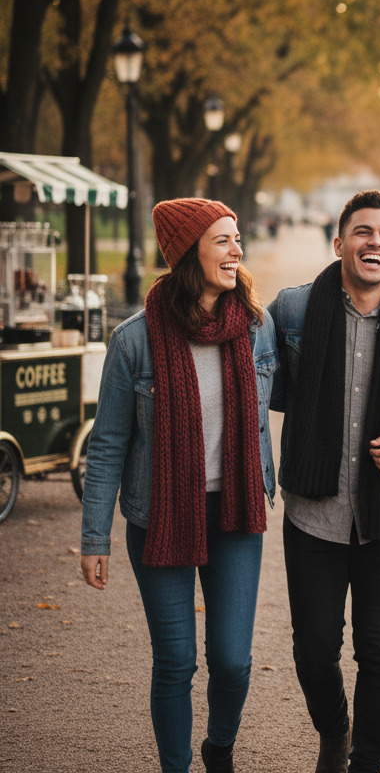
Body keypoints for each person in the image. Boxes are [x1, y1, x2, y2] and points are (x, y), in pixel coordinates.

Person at [81, 198, 277, 773]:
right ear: (188, 252)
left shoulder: (257, 330)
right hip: (160, 513)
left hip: (235, 515)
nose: (237, 251)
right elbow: (108, 444)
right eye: (223, 240)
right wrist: (95, 538)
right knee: (174, 661)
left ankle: (219, 748)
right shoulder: (134, 340)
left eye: (237, 239)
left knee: (233, 661)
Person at [269, 190, 380, 773]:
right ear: (339, 240)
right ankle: (334, 729)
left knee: (379, 652)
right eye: (363, 232)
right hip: (312, 512)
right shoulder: (291, 312)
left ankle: (368, 761)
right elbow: (265, 390)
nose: (376, 242)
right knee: (315, 650)